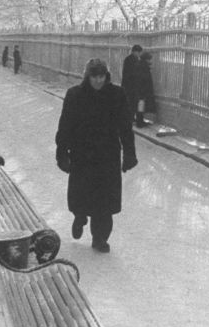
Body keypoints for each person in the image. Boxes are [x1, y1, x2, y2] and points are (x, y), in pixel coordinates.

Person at [55, 58, 138, 252]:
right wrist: (62, 154)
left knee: (105, 201)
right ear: (88, 77)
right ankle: (80, 216)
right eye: (94, 77)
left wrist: (129, 154)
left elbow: (125, 127)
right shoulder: (75, 95)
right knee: (81, 193)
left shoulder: (116, 95)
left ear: (106, 76)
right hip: (82, 154)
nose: (98, 81)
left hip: (107, 155)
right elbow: (65, 126)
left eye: (101, 77)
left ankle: (100, 238)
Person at [134, 50, 156, 127]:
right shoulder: (144, 67)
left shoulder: (138, 65)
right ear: (146, 59)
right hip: (142, 90)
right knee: (141, 105)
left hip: (138, 89)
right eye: (149, 59)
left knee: (140, 105)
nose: (150, 61)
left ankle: (139, 120)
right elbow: (145, 79)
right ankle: (140, 122)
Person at [121, 44, 142, 121]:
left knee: (132, 102)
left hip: (130, 85)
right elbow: (130, 73)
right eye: (139, 52)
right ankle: (130, 117)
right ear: (135, 52)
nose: (139, 54)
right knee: (131, 102)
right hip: (130, 85)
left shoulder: (130, 59)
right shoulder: (131, 60)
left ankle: (131, 117)